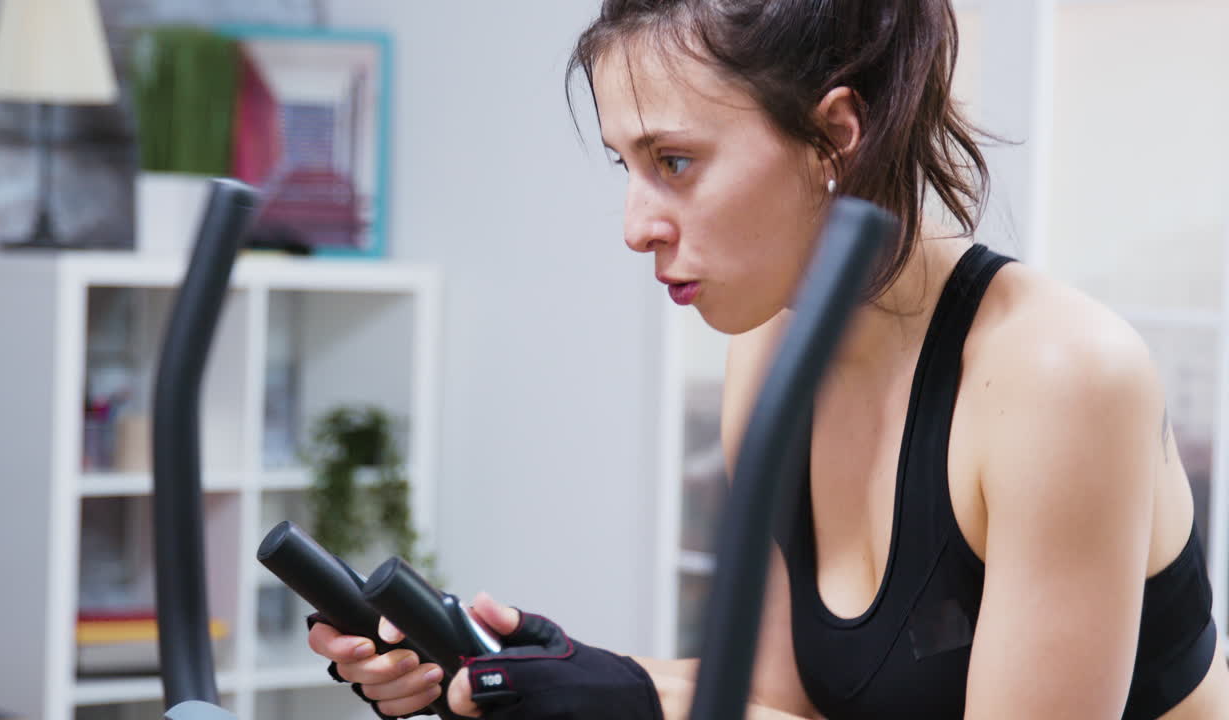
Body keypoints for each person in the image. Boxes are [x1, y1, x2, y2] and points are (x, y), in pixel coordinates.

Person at [308, 1, 1229, 718]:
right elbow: (785, 705)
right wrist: (516, 672)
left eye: (673, 162)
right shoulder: (770, 357)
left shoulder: (1061, 377)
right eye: (624, 167)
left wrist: (638, 701)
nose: (634, 228)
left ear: (835, 134)